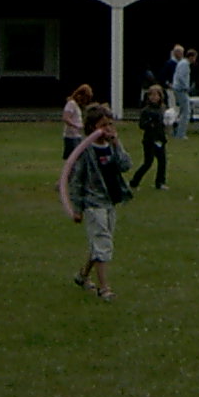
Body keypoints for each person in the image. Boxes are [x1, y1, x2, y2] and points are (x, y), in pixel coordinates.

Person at [69, 104, 132, 302]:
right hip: (93, 203)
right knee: (103, 242)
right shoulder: (85, 150)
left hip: (110, 201)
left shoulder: (111, 146)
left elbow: (125, 165)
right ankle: (104, 288)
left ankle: (82, 276)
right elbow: (77, 180)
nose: (108, 129)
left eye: (110, 124)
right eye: (103, 125)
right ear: (92, 128)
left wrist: (117, 144)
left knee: (101, 242)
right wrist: (76, 208)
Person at [130, 84, 169, 189]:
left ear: (160, 96)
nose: (153, 97)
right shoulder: (146, 110)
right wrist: (150, 123)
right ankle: (134, 181)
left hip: (160, 138)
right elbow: (141, 125)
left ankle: (160, 182)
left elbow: (164, 123)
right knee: (148, 162)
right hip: (149, 140)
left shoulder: (162, 109)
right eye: (151, 95)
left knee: (162, 161)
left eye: (156, 95)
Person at [62, 84, 93, 159]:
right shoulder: (71, 104)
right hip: (71, 136)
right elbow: (66, 118)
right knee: (73, 157)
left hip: (77, 135)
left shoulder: (76, 106)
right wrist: (76, 125)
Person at [171, 49, 196, 139]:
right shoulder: (185, 64)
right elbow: (181, 76)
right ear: (191, 57)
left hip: (178, 89)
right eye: (194, 57)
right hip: (181, 90)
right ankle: (180, 134)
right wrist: (186, 86)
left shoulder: (181, 63)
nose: (195, 60)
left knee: (181, 111)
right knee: (186, 112)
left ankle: (176, 130)